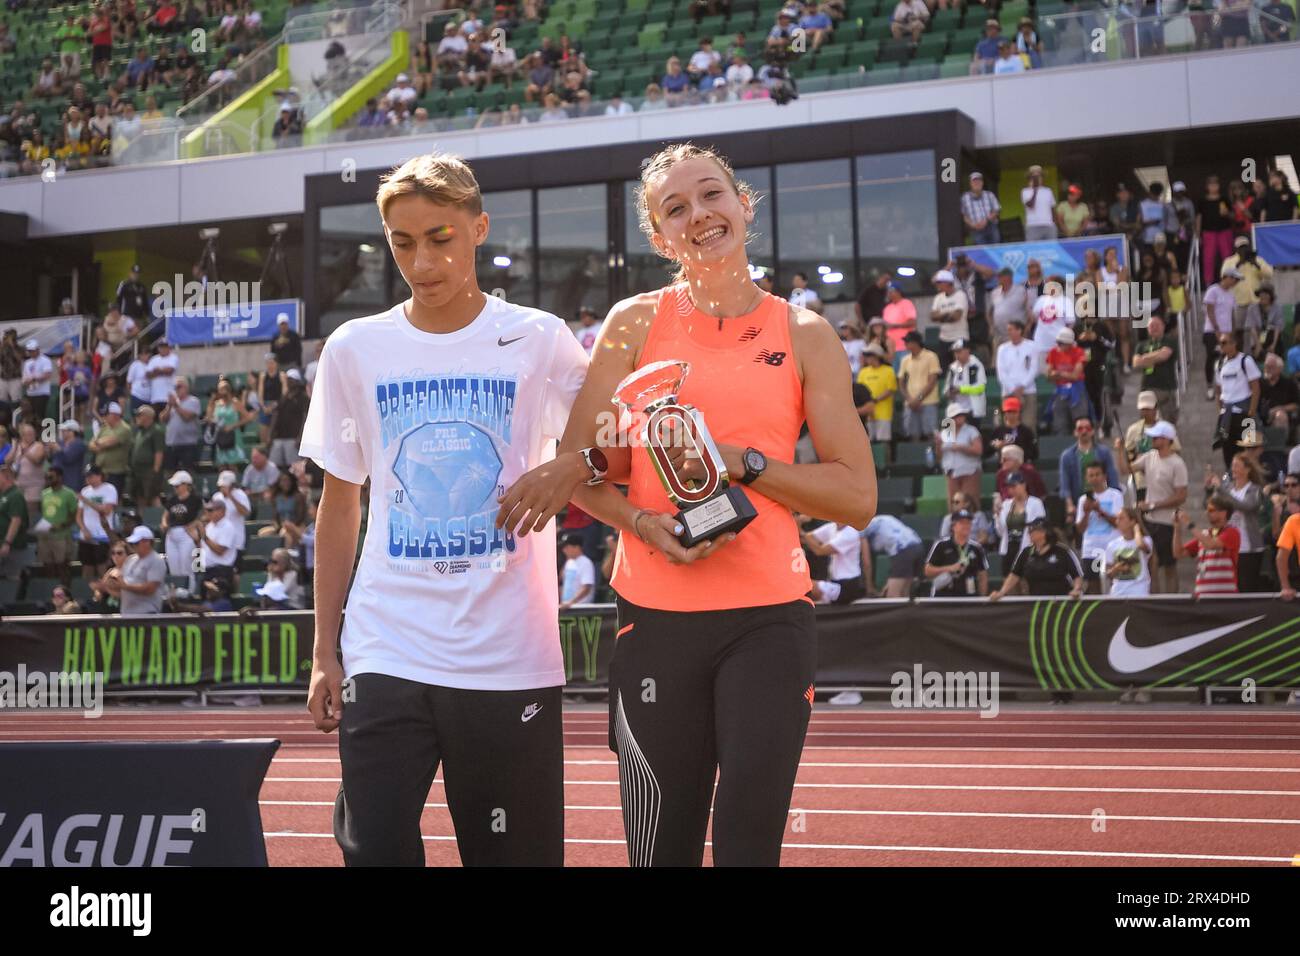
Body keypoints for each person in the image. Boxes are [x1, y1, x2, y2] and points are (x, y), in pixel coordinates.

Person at [494, 143, 875, 867]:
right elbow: (586, 470)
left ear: (743, 205)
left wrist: (749, 464)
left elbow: (856, 496)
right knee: (659, 851)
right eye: (676, 208)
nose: (699, 215)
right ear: (659, 235)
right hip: (654, 622)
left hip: (770, 620)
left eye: (711, 196)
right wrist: (644, 524)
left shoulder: (805, 334)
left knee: (746, 847)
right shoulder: (633, 325)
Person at [299, 152, 590, 869]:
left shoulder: (539, 337)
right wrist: (323, 650)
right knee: (377, 852)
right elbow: (340, 508)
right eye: (402, 243)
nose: (421, 259)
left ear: (478, 229)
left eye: (440, 238)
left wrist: (579, 459)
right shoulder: (353, 349)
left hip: (506, 656)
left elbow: (613, 439)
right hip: (386, 647)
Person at [1115, 421, 1187, 594]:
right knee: (1152, 564)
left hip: (1168, 521)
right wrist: (1119, 450)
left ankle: (1172, 601)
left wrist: (1154, 505)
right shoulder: (1149, 457)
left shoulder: (1177, 463)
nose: (1153, 438)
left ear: (1167, 439)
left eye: (1157, 436)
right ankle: (1154, 599)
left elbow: (1181, 496)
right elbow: (1126, 470)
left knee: (1169, 566)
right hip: (1150, 520)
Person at [1206, 452, 1265, 591]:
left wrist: (1222, 490)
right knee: (1232, 587)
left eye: (1237, 466)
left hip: (1249, 548)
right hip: (1230, 547)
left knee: (1247, 587)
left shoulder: (1254, 490)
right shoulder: (1228, 489)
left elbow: (1246, 506)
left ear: (1247, 469)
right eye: (1232, 466)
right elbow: (1211, 507)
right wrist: (1210, 490)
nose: (1233, 469)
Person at [990, 518, 1084, 600]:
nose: (1029, 532)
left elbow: (1077, 575)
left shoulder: (1062, 551)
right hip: (1035, 600)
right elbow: (1014, 575)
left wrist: (1076, 589)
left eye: (1033, 530)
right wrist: (1002, 592)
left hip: (1060, 600)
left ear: (1044, 532)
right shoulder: (1026, 552)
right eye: (1029, 530)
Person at [1173, 496, 1240, 597]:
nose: (1207, 513)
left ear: (1224, 513)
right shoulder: (1204, 535)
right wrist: (1177, 529)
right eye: (1206, 510)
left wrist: (1188, 523)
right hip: (1202, 595)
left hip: (1226, 596)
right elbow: (1178, 553)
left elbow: (1211, 544)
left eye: (1211, 510)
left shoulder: (1232, 532)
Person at [1214, 329, 1261, 471]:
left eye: (1224, 342)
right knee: (1228, 452)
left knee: (1249, 452)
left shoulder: (1245, 361)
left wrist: (1251, 412)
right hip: (1227, 415)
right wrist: (1220, 411)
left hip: (1244, 412)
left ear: (1234, 343)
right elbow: (1218, 390)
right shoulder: (1219, 364)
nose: (1221, 346)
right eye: (1220, 343)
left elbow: (1256, 388)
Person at [1075, 460, 1123, 593]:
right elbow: (1080, 529)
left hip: (1112, 547)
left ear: (1104, 476)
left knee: (1115, 581)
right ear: (1087, 478)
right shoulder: (1083, 500)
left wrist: (1100, 510)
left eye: (1097, 474)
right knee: (1093, 584)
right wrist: (1086, 513)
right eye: (1091, 475)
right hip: (1091, 550)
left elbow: (1118, 522)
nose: (1094, 478)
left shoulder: (1115, 495)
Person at [800, 515, 866, 605]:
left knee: (805, 585)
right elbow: (810, 537)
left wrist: (800, 530)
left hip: (848, 586)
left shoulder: (850, 534)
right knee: (803, 586)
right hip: (834, 582)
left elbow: (820, 551)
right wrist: (805, 536)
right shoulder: (832, 527)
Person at [924, 509, 989, 597]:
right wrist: (949, 568)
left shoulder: (976, 548)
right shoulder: (941, 545)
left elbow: (983, 575)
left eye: (968, 523)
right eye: (962, 523)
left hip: (969, 596)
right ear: (953, 526)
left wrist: (982, 598)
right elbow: (927, 570)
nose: (966, 526)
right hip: (944, 596)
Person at [861, 514, 924, 599]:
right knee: (905, 595)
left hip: (903, 551)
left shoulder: (860, 529)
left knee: (892, 597)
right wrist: (890, 583)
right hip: (918, 547)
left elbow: (867, 562)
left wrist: (869, 587)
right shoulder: (884, 518)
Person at [1059, 416, 1119, 506]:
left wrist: (1115, 499)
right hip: (1078, 501)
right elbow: (1065, 483)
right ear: (1075, 432)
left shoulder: (1104, 452)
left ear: (1092, 431)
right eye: (1080, 429)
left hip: (1103, 500)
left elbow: (1112, 477)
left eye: (1087, 428)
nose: (1084, 431)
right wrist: (1069, 505)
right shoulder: (1067, 456)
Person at [994, 471, 1044, 578]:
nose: (1012, 490)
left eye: (1014, 486)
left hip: (1026, 549)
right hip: (1008, 550)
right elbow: (1000, 532)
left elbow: (1039, 528)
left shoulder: (1035, 503)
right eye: (1009, 487)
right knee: (1009, 583)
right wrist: (997, 516)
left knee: (1025, 583)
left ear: (1023, 485)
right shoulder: (1006, 505)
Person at [1131, 314, 1179, 425]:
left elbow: (1164, 355)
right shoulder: (1141, 345)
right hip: (1147, 388)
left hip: (1166, 388)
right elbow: (1135, 363)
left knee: (1168, 423)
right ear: (1148, 329)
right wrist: (1155, 357)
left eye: (1157, 325)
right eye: (1152, 326)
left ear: (1163, 326)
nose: (1155, 328)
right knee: (1146, 423)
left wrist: (1145, 357)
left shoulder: (1170, 341)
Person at [36, 467, 79, 585]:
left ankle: (66, 592)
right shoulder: (44, 493)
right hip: (45, 536)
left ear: (60, 477)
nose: (48, 479)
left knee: (63, 566)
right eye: (47, 477)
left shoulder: (69, 494)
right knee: (47, 565)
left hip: (62, 536)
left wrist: (62, 525)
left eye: (51, 477)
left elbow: (74, 514)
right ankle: (51, 592)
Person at [75, 465, 118, 581]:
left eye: (91, 476)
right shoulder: (85, 491)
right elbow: (79, 516)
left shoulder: (109, 489)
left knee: (102, 566)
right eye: (86, 477)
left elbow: (106, 510)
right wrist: (83, 529)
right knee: (87, 566)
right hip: (86, 535)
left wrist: (86, 501)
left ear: (99, 476)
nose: (88, 479)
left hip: (102, 535)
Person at [995, 319, 1039, 428]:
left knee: (1028, 424)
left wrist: (1022, 386)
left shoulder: (1032, 346)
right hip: (1008, 392)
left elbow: (1034, 369)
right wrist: (1013, 390)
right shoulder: (1002, 349)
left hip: (1028, 390)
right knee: (1008, 424)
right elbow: (1001, 372)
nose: (1008, 332)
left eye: (1011, 330)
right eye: (1008, 330)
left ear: (1019, 331)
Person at [899, 331, 941, 440]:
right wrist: (910, 400)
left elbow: (932, 381)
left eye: (908, 341)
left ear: (916, 342)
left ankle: (934, 457)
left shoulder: (931, 356)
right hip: (910, 403)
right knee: (912, 435)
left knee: (931, 434)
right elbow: (901, 383)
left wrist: (918, 399)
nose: (906, 344)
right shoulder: (905, 360)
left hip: (928, 401)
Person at [936, 402, 982, 502]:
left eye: (961, 414)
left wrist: (961, 448)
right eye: (956, 416)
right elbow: (939, 457)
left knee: (970, 502)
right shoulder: (945, 433)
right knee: (953, 504)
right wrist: (938, 445)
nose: (960, 417)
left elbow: (978, 450)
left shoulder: (971, 431)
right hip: (951, 473)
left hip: (969, 471)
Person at [1045, 327, 1088, 434]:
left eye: (1061, 343)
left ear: (1069, 343)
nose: (1059, 345)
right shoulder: (1053, 352)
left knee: (1080, 419)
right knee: (1059, 422)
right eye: (1058, 343)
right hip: (1060, 391)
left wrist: (1059, 374)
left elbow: (1075, 376)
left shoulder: (1079, 352)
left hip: (1077, 390)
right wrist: (1064, 375)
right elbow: (1049, 375)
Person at [116, 526, 167, 616]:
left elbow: (150, 589)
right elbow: (121, 586)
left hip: (146, 615)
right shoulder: (130, 560)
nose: (133, 546)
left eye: (136, 543)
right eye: (132, 543)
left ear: (147, 542)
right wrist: (106, 587)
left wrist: (126, 586)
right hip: (126, 614)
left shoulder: (156, 560)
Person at [1104, 507, 1154, 598]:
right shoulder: (1112, 545)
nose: (1117, 522)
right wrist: (1116, 569)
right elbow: (1108, 573)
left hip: (1139, 592)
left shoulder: (1146, 540)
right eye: (1117, 518)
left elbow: (1141, 545)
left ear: (1132, 521)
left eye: (1121, 518)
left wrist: (1137, 530)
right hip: (1118, 592)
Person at [161, 469, 201, 580]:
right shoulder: (173, 499)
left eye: (177, 486)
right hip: (171, 533)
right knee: (174, 567)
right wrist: (164, 523)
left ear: (186, 485)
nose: (175, 488)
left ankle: (189, 592)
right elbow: (166, 514)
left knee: (186, 567)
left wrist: (194, 525)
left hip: (187, 533)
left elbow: (203, 515)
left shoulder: (195, 499)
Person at [856, 343, 895, 444]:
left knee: (884, 441)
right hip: (867, 414)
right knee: (868, 442)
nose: (867, 357)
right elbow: (859, 391)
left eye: (869, 355)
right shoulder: (863, 372)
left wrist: (875, 400)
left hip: (883, 412)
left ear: (876, 356)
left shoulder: (888, 371)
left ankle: (887, 460)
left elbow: (890, 389)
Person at [943, 338, 986, 426]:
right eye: (955, 352)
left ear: (967, 350)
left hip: (972, 410)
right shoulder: (952, 367)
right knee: (948, 432)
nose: (957, 355)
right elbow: (946, 388)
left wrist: (960, 390)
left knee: (972, 435)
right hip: (955, 410)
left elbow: (980, 388)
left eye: (959, 351)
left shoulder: (976, 365)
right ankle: (946, 439)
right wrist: (948, 393)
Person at [0, 465, 31, 581]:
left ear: (6, 477)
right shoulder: (3, 494)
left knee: (11, 579)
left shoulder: (15, 495)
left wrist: (7, 542)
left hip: (12, 547)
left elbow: (16, 520)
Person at [990, 396, 1039, 463]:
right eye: (1009, 411)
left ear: (1019, 412)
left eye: (1014, 411)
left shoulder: (1026, 431)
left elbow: (1034, 453)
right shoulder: (998, 430)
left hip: (1022, 466)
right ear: (1004, 413)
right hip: (1003, 467)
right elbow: (989, 448)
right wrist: (996, 445)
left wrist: (1017, 446)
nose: (1011, 415)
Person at [558, 533, 596, 609]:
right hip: (566, 607)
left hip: (581, 609)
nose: (564, 550)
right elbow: (562, 582)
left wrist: (570, 603)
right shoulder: (569, 562)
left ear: (577, 547)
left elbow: (586, 588)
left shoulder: (586, 562)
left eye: (567, 547)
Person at [961, 171, 1000, 244]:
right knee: (981, 251)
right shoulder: (964, 198)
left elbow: (996, 210)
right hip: (975, 229)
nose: (977, 183)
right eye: (974, 181)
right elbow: (964, 216)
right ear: (970, 183)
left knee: (995, 249)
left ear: (982, 183)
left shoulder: (989, 195)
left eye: (979, 181)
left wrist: (986, 220)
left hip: (991, 226)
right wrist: (973, 225)